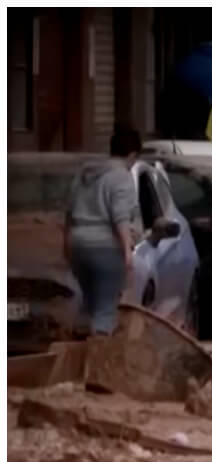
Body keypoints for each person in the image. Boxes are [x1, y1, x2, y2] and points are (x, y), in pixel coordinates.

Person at [63, 126, 142, 335]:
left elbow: (69, 213)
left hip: (78, 244)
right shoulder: (121, 177)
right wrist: (127, 252)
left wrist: (67, 244)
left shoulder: (84, 174)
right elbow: (121, 217)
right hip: (105, 248)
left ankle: (76, 351)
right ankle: (97, 360)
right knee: (105, 309)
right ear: (133, 155)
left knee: (88, 303)